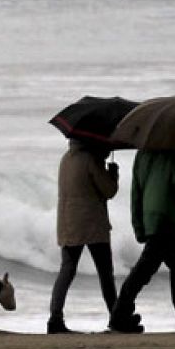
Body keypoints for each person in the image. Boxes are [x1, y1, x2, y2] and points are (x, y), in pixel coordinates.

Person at [108, 148, 175, 333]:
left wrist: (139, 225)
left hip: (150, 216)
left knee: (161, 267)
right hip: (165, 215)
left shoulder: (143, 153)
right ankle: (121, 314)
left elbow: (136, 191)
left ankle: (122, 313)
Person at [47, 139, 122, 334]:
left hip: (67, 222)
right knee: (105, 274)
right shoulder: (90, 160)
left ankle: (55, 318)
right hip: (92, 224)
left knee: (67, 271)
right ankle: (117, 318)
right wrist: (113, 174)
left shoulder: (66, 159)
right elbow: (108, 190)